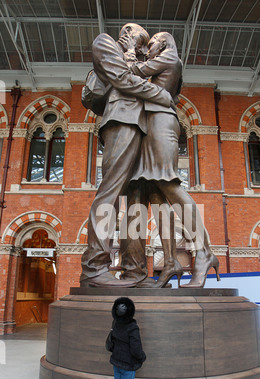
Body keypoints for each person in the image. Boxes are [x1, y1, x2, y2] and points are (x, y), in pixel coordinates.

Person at [120, 32, 220, 288]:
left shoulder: (168, 58)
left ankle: (205, 251)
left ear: (163, 43)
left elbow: (130, 72)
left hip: (161, 124)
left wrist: (132, 49)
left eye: (152, 43)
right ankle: (172, 261)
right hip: (152, 123)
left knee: (169, 185)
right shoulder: (165, 62)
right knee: (156, 193)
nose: (149, 47)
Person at [80, 24, 173, 288]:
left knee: (137, 204)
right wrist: (161, 95)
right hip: (121, 120)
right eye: (136, 37)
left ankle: (135, 272)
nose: (142, 49)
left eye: (142, 41)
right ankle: (94, 268)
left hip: (146, 129)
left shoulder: (144, 62)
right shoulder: (105, 43)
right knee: (110, 192)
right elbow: (121, 79)